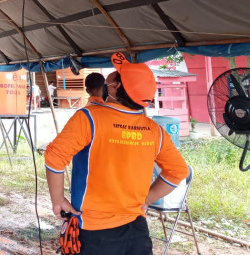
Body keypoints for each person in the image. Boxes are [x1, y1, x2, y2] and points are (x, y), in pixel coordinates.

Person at [45, 53, 188, 255]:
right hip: (137, 232)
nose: (108, 79)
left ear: (115, 87)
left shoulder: (89, 118)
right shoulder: (155, 131)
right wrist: (147, 200)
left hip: (94, 231)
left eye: (113, 76)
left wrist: (58, 200)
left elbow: (54, 156)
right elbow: (178, 171)